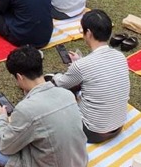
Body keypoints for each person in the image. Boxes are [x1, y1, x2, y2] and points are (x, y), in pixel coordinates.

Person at [0, 46, 87, 167]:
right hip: (79, 162)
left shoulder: (26, 109)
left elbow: (4, 146)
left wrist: (2, 118)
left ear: (19, 77)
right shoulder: (67, 94)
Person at [51, 10, 130, 144]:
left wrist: (54, 76)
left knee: (55, 92)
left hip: (91, 132)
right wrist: (79, 62)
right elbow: (99, 69)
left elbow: (60, 84)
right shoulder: (120, 56)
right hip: (117, 126)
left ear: (88, 33)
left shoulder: (82, 65)